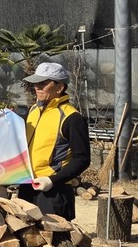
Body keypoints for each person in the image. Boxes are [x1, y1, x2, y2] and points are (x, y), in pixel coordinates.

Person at [17, 62, 90, 220]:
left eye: (43, 83)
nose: (37, 87)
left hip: (54, 192)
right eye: (36, 83)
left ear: (59, 87)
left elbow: (82, 158)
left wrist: (52, 180)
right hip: (27, 187)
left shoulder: (72, 117)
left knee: (53, 235)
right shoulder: (33, 110)